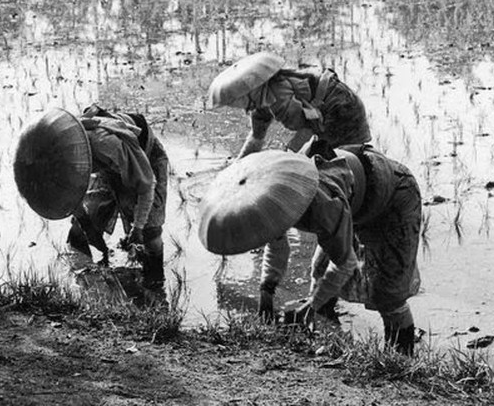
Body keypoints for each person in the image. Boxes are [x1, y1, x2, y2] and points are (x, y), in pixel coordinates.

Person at [199, 145, 420, 354]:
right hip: (352, 199)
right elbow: (276, 245)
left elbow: (345, 262)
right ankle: (327, 339)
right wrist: (267, 290)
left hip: (394, 197)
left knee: (388, 294)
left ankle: (400, 362)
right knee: (319, 273)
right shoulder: (270, 200)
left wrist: (312, 302)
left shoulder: (322, 205)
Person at [67, 104, 169, 300]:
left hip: (144, 155)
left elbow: (146, 186)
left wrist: (137, 228)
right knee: (81, 230)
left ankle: (154, 289)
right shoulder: (60, 154)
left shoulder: (107, 144)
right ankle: (83, 282)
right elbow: (72, 192)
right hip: (104, 163)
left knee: (150, 232)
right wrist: (87, 224)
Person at [209, 51, 372, 159]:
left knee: (342, 160)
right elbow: (256, 138)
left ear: (248, 92)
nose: (234, 106)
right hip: (323, 113)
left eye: (234, 101)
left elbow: (306, 130)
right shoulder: (260, 104)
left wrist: (287, 160)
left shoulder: (278, 96)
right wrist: (238, 166)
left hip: (340, 108)